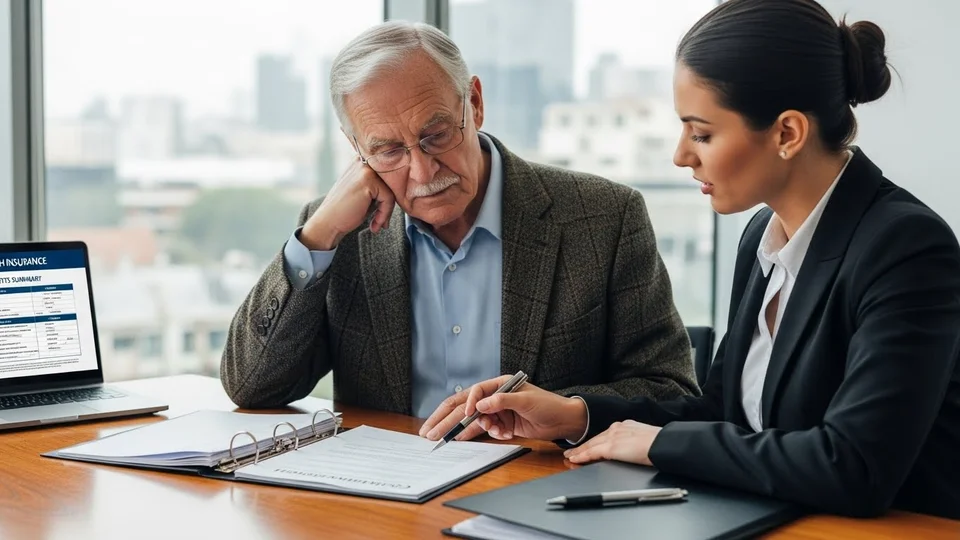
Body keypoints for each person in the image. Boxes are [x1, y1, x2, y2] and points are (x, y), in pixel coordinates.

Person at [421, 0, 960, 520]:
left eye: (701, 133)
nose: (681, 154)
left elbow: (855, 467)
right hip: (767, 518)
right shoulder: (763, 237)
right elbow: (722, 414)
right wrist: (576, 414)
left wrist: (659, 445)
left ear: (787, 133)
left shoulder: (906, 248)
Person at [219, 21, 700, 419]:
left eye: (436, 135)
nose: (423, 172)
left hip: (538, 496)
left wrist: (568, 411)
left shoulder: (604, 217)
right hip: (383, 511)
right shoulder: (337, 234)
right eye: (388, 150)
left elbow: (674, 394)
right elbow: (250, 386)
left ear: (474, 103)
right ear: (357, 150)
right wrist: (317, 236)